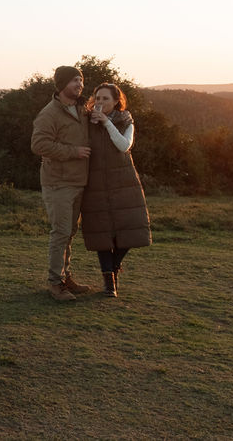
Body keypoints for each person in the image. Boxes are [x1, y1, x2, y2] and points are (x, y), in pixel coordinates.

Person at [81, 83, 152, 297]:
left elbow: (124, 146)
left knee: (132, 227)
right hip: (95, 183)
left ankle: (113, 267)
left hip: (123, 182)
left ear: (116, 101)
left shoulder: (126, 121)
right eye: (98, 98)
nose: (100, 102)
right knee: (101, 231)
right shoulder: (87, 122)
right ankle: (109, 283)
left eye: (106, 99)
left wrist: (106, 123)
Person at [31, 65, 93, 301]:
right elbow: (38, 145)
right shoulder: (49, 114)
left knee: (69, 233)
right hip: (58, 183)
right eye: (74, 80)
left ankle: (66, 277)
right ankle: (55, 284)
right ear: (61, 85)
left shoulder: (81, 109)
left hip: (79, 181)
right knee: (60, 233)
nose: (80, 84)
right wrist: (72, 151)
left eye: (81, 80)